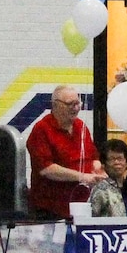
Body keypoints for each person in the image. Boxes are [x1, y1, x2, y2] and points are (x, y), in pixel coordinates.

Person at [25, 85, 102, 221]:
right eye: (70, 104)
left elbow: (93, 157)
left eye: (77, 103)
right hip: (51, 210)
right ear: (55, 105)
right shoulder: (41, 129)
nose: (76, 108)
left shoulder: (81, 127)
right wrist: (82, 176)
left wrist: (97, 170)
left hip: (81, 206)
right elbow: (46, 169)